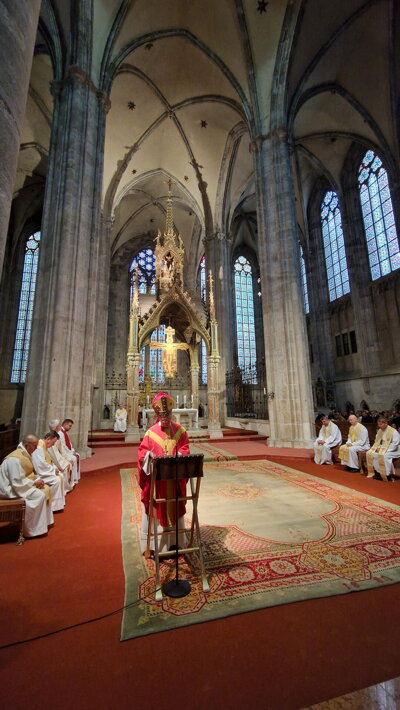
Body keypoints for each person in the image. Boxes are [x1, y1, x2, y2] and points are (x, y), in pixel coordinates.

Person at [137, 392, 190, 554]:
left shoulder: (180, 431)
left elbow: (185, 448)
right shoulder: (150, 433)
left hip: (174, 479)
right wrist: (149, 456)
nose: (166, 418)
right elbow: (142, 454)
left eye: (168, 414)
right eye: (162, 415)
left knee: (175, 504)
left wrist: (178, 457)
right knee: (156, 505)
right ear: (157, 415)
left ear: (172, 413)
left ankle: (175, 542)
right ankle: (154, 546)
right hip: (157, 482)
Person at [0, 434, 54, 537]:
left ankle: (40, 524)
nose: (36, 448)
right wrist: (34, 483)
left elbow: (28, 474)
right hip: (8, 489)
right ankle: (30, 529)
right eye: (34, 445)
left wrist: (37, 480)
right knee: (39, 495)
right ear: (27, 445)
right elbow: (17, 482)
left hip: (18, 486)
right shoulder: (14, 459)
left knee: (45, 488)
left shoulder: (25, 454)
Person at [32, 432, 66, 511]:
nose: (53, 445)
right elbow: (40, 465)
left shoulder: (44, 446)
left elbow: (48, 461)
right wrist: (53, 470)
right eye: (53, 442)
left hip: (45, 471)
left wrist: (55, 468)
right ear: (48, 439)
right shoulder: (39, 447)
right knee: (56, 480)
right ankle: (52, 505)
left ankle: (58, 504)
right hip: (38, 474)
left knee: (61, 475)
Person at [366, 417, 400, 482]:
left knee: (384, 456)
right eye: (378, 424)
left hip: (394, 449)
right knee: (372, 454)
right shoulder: (380, 431)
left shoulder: (393, 431)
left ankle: (387, 474)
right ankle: (378, 472)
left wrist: (384, 450)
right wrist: (378, 448)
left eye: (381, 424)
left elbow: (395, 444)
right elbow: (377, 441)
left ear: (386, 423)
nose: (379, 426)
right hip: (383, 447)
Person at [48, 419, 74, 492]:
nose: (60, 427)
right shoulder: (51, 437)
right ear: (56, 427)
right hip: (53, 461)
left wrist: (67, 459)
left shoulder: (57, 435)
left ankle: (67, 486)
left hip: (59, 459)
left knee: (70, 462)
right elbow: (54, 454)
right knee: (66, 468)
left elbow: (62, 450)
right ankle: (64, 489)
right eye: (59, 426)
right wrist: (65, 463)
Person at [59, 418, 80, 484]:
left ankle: (76, 477)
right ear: (65, 424)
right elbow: (63, 446)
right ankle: (72, 479)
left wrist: (72, 450)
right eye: (69, 426)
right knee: (73, 458)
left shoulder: (65, 432)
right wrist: (71, 452)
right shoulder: (60, 433)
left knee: (77, 455)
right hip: (64, 452)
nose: (70, 427)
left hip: (68, 451)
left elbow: (69, 443)